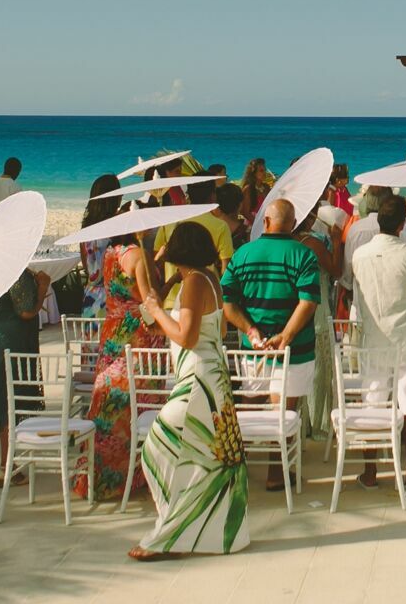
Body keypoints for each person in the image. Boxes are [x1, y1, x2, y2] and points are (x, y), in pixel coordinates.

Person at [130, 223, 250, 561]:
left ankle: (173, 532)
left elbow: (187, 336)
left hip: (198, 379)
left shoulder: (196, 280)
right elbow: (212, 327)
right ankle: (185, 529)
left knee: (156, 447)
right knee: (202, 457)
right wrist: (163, 292)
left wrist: (156, 311)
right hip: (210, 375)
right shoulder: (206, 277)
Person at [220, 198, 322, 490]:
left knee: (251, 406)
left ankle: (235, 469)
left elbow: (228, 302)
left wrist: (250, 330)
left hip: (253, 348)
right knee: (285, 412)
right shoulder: (302, 255)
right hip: (294, 349)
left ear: (265, 222)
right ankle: (277, 474)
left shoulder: (242, 254)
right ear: (292, 224)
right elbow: (308, 301)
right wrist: (286, 336)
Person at [351, 194, 406, 488]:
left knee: (372, 403)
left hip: (374, 338)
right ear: (403, 224)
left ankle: (371, 471)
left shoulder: (359, 254)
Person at [74, 234, 165, 502]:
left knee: (108, 398)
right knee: (139, 402)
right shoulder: (138, 256)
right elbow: (149, 299)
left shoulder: (110, 254)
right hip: (137, 334)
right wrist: (168, 279)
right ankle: (135, 474)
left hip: (113, 330)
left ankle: (98, 475)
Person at [0, 266, 48, 484]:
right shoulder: (13, 271)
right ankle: (7, 466)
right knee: (9, 399)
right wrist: (42, 288)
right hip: (9, 340)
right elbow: (26, 311)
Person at [294, 206, 341, 441]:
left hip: (294, 308)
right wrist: (337, 240)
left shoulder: (291, 244)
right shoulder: (312, 244)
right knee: (319, 368)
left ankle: (301, 423)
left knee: (300, 365)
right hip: (317, 307)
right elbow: (335, 269)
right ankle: (318, 422)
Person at [157, 177, 235, 286]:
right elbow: (226, 268)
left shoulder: (169, 221)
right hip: (206, 290)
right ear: (213, 196)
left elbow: (157, 261)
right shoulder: (220, 225)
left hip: (172, 294)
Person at [77, 174, 124, 318]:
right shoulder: (119, 226)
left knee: (92, 338)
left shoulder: (86, 229)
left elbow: (86, 267)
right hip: (114, 295)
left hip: (91, 295)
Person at [239, 158, 274, 225]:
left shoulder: (266, 187)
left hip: (266, 222)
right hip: (252, 223)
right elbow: (245, 212)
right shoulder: (248, 189)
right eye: (261, 171)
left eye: (265, 170)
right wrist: (258, 224)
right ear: (253, 173)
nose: (264, 173)